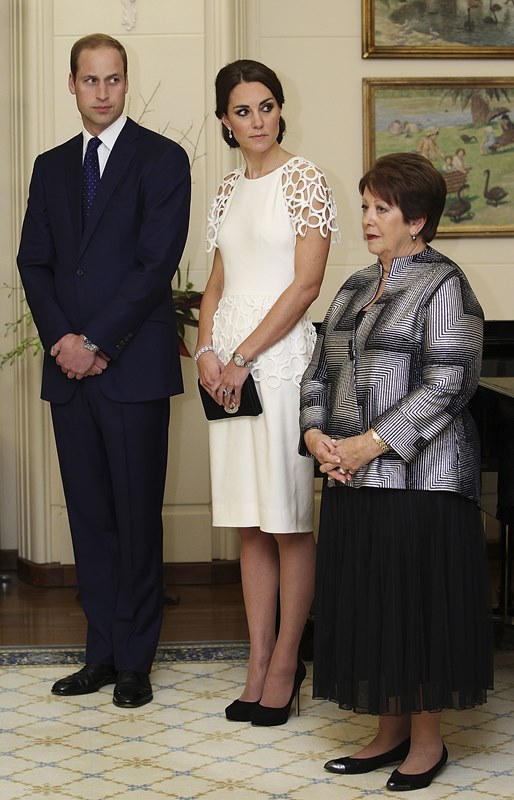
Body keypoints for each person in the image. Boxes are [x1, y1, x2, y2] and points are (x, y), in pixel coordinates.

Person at [300, 152, 492, 790]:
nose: (368, 218)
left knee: (416, 607)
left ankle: (428, 742)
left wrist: (370, 445)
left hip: (423, 483)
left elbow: (449, 384)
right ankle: (388, 732)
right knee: (373, 605)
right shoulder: (355, 285)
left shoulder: (444, 283)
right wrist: (317, 435)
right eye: (365, 206)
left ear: (418, 220)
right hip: (353, 477)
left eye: (382, 208)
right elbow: (319, 371)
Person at [17, 33, 191, 708]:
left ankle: (136, 663)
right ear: (72, 84)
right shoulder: (51, 166)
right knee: (89, 519)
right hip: (69, 371)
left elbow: (155, 265)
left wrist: (96, 341)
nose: (102, 92)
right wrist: (64, 340)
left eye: (113, 79)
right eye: (90, 80)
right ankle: (101, 654)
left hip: (131, 368)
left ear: (125, 81)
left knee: (136, 517)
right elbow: (34, 262)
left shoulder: (162, 159)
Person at [196, 59, 338, 726]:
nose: (257, 120)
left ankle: (286, 663)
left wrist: (244, 357)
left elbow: (306, 286)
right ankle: (255, 663)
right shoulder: (227, 190)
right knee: (250, 522)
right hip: (225, 374)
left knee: (287, 519)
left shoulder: (305, 180)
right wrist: (207, 351)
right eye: (242, 110)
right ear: (225, 121)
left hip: (277, 369)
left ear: (281, 109)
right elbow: (215, 285)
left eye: (266, 106)